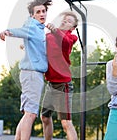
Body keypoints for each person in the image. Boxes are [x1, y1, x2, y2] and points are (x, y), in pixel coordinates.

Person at [0, 0, 53, 140]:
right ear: (32, 15)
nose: (42, 14)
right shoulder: (32, 26)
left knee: (28, 113)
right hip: (32, 74)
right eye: (38, 12)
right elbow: (20, 31)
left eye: (43, 11)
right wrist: (7, 32)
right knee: (31, 114)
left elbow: (35, 45)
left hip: (32, 74)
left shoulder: (39, 29)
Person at [41, 11, 78, 140]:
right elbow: (40, 48)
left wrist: (56, 30)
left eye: (69, 21)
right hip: (51, 83)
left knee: (66, 122)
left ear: (73, 28)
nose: (64, 21)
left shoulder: (71, 37)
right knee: (45, 117)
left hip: (64, 84)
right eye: (64, 19)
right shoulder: (49, 35)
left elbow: (66, 42)